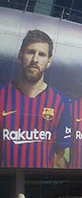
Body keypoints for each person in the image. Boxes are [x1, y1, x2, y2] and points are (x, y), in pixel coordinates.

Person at [0, 29, 71, 169]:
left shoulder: (61, 102)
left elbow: (60, 151)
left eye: (42, 54)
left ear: (49, 61)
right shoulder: (2, 95)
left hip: (40, 185)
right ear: (20, 55)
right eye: (30, 52)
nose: (35, 60)